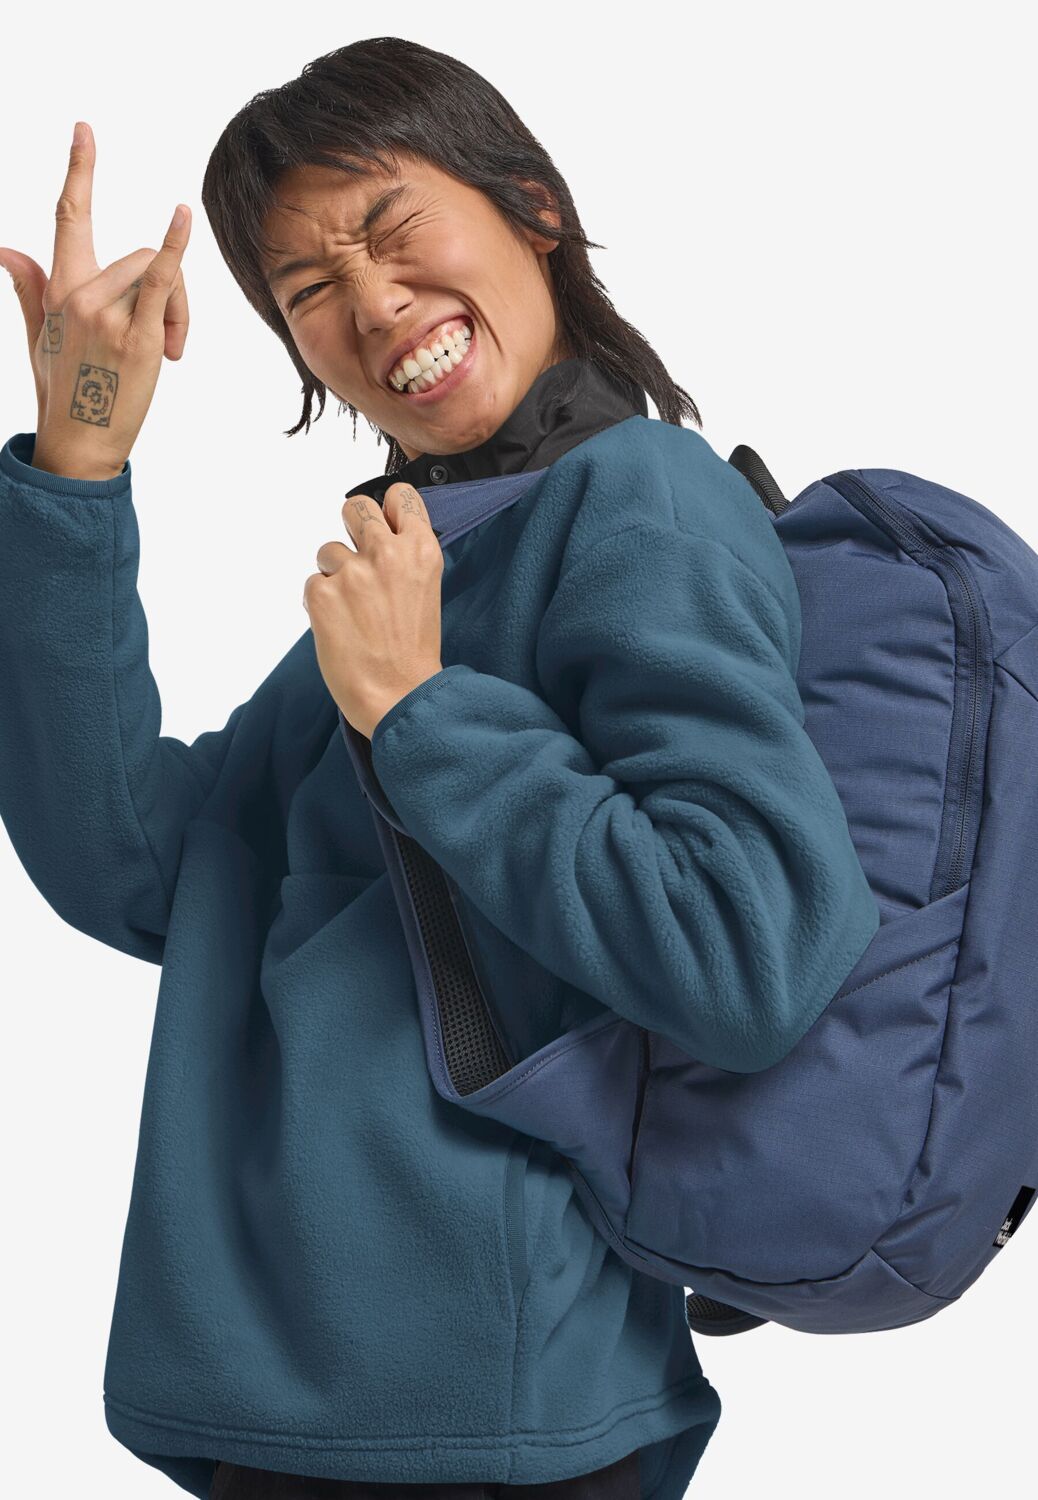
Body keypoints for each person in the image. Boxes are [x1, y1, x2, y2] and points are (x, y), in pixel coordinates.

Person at [0, 35, 879, 1500]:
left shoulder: (639, 500)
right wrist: (78, 466)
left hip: (486, 1422)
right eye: (306, 290)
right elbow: (138, 867)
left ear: (532, 207)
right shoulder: (430, 556)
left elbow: (747, 951)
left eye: (391, 227)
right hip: (294, 1400)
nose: (367, 302)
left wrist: (419, 712)